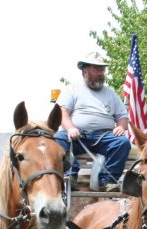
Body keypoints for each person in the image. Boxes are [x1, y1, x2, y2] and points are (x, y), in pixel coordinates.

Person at [53, 51, 132, 190]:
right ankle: (70, 176)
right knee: (59, 138)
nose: (101, 73)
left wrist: (121, 127)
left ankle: (108, 181)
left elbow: (122, 117)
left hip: (104, 137)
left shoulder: (111, 93)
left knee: (122, 142)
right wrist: (71, 128)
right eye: (97, 69)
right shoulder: (72, 89)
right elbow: (62, 113)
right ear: (85, 71)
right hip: (77, 136)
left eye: (102, 69)